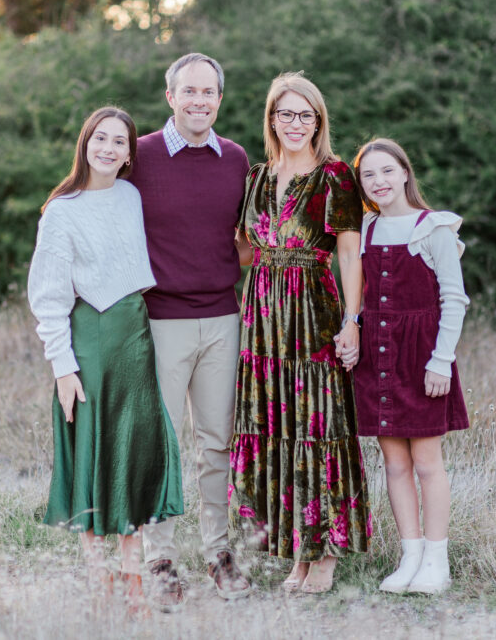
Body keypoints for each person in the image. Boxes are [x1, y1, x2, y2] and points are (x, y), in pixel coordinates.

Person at [27, 106, 184, 615]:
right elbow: (48, 296)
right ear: (85, 142)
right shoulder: (61, 211)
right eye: (101, 138)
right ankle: (100, 579)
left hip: (134, 335)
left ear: (130, 153)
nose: (109, 148)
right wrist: (63, 367)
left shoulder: (131, 197)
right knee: (93, 448)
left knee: (132, 453)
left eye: (120, 141)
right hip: (89, 339)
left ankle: (134, 579)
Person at [228, 72, 371, 595]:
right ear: (271, 119)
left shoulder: (335, 176)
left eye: (305, 115)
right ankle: (297, 552)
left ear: (318, 122)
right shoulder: (256, 177)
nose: (294, 123)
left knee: (318, 424)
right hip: (262, 317)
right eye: (285, 113)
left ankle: (325, 553)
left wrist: (352, 322)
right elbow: (243, 250)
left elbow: (350, 255)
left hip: (313, 311)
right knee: (276, 425)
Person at [127, 52, 252, 610]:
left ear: (219, 100)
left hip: (223, 318)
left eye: (209, 92)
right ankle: (159, 558)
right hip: (161, 321)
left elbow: (245, 238)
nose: (199, 100)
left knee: (216, 442)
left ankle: (218, 552)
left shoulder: (236, 159)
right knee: (160, 442)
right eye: (189, 91)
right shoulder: (140, 156)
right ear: (170, 96)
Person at [348, 137, 470, 595]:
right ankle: (410, 557)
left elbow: (454, 299)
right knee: (394, 463)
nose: (378, 181)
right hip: (377, 355)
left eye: (386, 171)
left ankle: (437, 561)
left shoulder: (433, 227)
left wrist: (441, 360)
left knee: (426, 462)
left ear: (404, 173)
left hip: (422, 357)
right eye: (368, 175)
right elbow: (356, 296)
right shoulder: (364, 230)